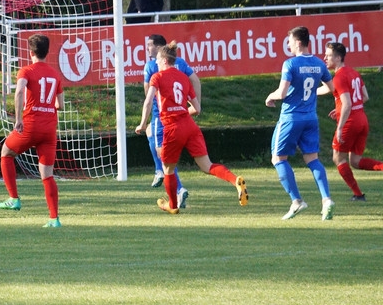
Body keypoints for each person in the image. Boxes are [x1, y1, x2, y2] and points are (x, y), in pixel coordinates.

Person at [135, 43, 248, 214]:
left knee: (167, 169)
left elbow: (148, 101)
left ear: (165, 60)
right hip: (190, 125)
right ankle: (235, 180)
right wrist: (180, 110)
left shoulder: (157, 77)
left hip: (173, 128)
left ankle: (172, 206)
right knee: (207, 165)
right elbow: (197, 109)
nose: (156, 63)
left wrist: (143, 124)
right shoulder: (183, 78)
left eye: (157, 60)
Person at [265, 26, 334, 221]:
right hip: (310, 118)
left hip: (291, 118)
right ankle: (326, 199)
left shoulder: (290, 64)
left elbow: (282, 93)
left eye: (289, 42)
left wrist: (270, 97)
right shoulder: (319, 64)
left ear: (297, 42)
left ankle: (297, 201)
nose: (288, 46)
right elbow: (331, 88)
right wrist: (312, 93)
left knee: (278, 159)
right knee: (312, 159)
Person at [0, 34, 65, 228]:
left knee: (6, 153)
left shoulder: (26, 71)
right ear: (47, 52)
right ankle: (54, 219)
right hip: (49, 128)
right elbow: (60, 104)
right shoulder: (54, 73)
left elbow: (19, 92)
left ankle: (14, 198)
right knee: (47, 174)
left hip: (31, 125)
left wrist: (18, 119)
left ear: (31, 52)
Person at [319, 42, 383, 201]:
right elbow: (365, 97)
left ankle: (358, 194)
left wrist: (340, 127)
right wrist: (342, 109)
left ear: (338, 57)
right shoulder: (354, 73)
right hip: (362, 119)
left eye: (328, 55)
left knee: (338, 158)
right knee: (355, 161)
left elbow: (347, 103)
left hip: (350, 122)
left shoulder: (339, 76)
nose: (325, 58)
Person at [144, 33, 200, 208]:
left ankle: (175, 186)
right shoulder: (181, 63)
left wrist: (146, 116)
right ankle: (160, 172)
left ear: (160, 48)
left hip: (161, 114)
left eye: (150, 45)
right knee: (159, 146)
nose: (147, 49)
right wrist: (197, 103)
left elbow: (148, 93)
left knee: (164, 155)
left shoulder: (151, 66)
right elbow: (195, 80)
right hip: (181, 114)